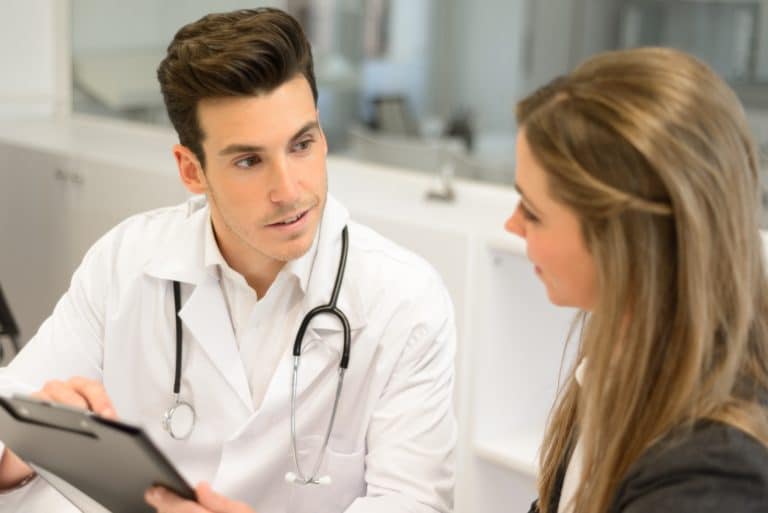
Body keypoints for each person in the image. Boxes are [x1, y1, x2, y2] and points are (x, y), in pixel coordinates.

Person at [0, 8, 456, 513]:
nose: (289, 191)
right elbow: (14, 410)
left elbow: (414, 503)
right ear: (191, 170)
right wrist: (23, 454)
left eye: (302, 144)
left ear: (323, 137)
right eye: (248, 161)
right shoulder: (125, 263)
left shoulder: (404, 299)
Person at [506, 47, 768, 513]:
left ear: (625, 242)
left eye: (534, 212)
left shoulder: (713, 478)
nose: (513, 225)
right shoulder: (622, 362)